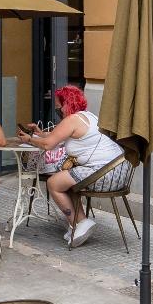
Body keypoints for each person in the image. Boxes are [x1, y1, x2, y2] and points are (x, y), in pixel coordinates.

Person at [17, 84, 124, 247]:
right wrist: (40, 133)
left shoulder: (72, 120)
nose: (58, 111)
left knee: (54, 183)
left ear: (67, 104)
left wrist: (30, 139)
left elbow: (48, 145)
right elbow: (58, 136)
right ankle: (76, 224)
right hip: (116, 170)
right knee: (65, 179)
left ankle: (81, 222)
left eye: (59, 107)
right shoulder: (86, 116)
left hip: (104, 174)